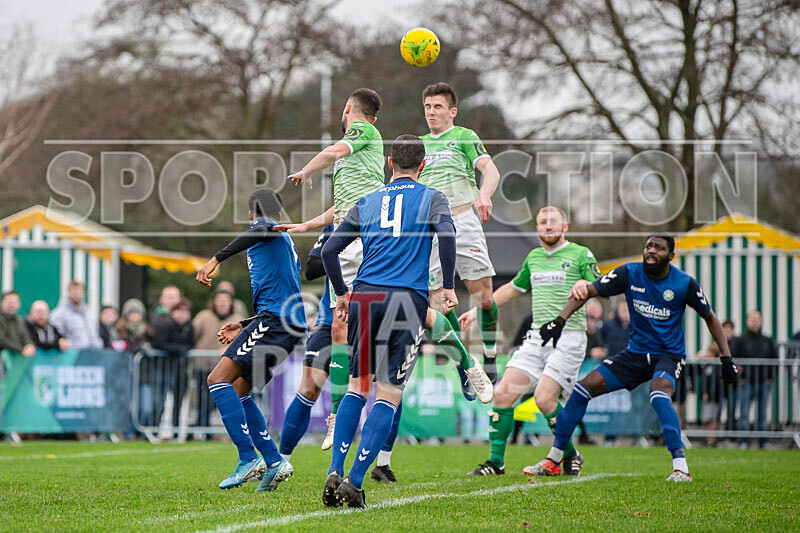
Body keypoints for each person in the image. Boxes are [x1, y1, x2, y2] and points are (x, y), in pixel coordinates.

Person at [319, 134, 458, 508]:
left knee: (356, 385)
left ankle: (335, 469)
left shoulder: (366, 201)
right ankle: (356, 482)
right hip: (405, 299)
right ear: (423, 166)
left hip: (364, 295)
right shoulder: (432, 197)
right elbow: (447, 233)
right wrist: (446, 285)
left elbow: (330, 249)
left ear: (389, 164)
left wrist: (342, 293)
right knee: (389, 392)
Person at [527, 235, 738, 482]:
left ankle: (681, 467)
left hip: (668, 356)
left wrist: (726, 358)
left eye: (659, 248)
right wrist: (560, 320)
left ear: (671, 256)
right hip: (635, 354)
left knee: (659, 397)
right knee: (583, 389)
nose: (651, 250)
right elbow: (588, 291)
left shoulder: (684, 283)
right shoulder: (629, 272)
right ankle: (554, 459)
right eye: (648, 246)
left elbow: (710, 317)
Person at [459, 206, 601, 476]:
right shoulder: (533, 257)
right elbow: (512, 289)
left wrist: (586, 285)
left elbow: (599, 283)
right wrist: (478, 312)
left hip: (569, 337)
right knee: (502, 394)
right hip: (537, 337)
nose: (547, 226)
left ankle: (569, 454)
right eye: (542, 222)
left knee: (544, 398)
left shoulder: (581, 254)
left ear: (565, 227)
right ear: (537, 228)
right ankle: (496, 463)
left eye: (553, 222)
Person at [195, 188, 306, 492]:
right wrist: (246, 323)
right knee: (240, 391)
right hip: (283, 324)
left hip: (276, 323)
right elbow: (282, 289)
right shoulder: (284, 241)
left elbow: (260, 229)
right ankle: (273, 461)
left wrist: (214, 260)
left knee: (217, 380)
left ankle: (248, 458)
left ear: (251, 214)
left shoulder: (266, 227)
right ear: (281, 213)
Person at [419, 82, 502, 382]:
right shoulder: (419, 144)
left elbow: (491, 170)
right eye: (427, 107)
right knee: (436, 304)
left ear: (452, 111)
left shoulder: (464, 136)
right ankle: (465, 364)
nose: (431, 112)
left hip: (463, 218)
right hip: (428, 229)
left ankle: (489, 356)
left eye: (438, 106)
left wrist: (484, 194)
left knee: (485, 298)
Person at [192, 288, 244, 430]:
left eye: (225, 301)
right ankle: (202, 429)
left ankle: (204, 427)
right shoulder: (203, 317)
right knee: (202, 400)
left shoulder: (237, 320)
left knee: (217, 400)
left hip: (224, 368)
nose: (222, 304)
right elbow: (192, 336)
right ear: (214, 302)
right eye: (219, 300)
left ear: (231, 303)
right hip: (202, 365)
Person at [731, 310, 778, 449]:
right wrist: (740, 374)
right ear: (747, 321)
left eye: (757, 319)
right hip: (746, 382)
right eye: (752, 319)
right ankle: (743, 441)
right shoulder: (740, 340)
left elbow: (774, 359)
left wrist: (771, 377)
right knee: (744, 412)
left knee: (762, 413)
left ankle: (762, 441)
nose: (755, 322)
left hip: (764, 382)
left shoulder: (767, 340)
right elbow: (734, 358)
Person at [151, 298, 195, 435]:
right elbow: (158, 343)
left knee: (179, 401)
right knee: (159, 401)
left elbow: (192, 343)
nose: (182, 315)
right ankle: (153, 429)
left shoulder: (189, 327)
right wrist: (178, 349)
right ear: (173, 312)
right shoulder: (165, 325)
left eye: (185, 312)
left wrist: (182, 349)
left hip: (181, 369)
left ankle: (176, 430)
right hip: (163, 368)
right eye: (179, 311)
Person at [50, 280, 103, 349]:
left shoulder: (88, 312)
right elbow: (55, 336)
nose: (76, 293)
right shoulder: (59, 314)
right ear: (68, 292)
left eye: (79, 290)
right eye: (73, 290)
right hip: (73, 355)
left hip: (93, 353)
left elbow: (95, 333)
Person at [0, 291, 36, 357]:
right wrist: (21, 349)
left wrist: (29, 345)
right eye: (8, 301)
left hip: (15, 359)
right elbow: (2, 340)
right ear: (2, 303)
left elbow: (26, 337)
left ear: (19, 304)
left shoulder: (20, 320)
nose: (11, 305)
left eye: (14, 302)